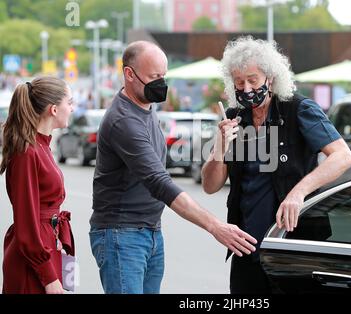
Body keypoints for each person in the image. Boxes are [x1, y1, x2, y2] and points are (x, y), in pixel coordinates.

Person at [89, 41, 257, 294]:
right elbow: (159, 182)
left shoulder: (145, 107)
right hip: (121, 235)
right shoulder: (123, 121)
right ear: (129, 74)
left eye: (164, 76)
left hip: (149, 231)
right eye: (154, 77)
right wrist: (215, 226)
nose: (161, 83)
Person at [201, 36, 351, 294]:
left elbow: (343, 156)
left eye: (253, 80)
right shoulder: (234, 118)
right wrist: (220, 147)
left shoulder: (299, 109)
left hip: (295, 246)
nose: (247, 89)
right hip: (246, 246)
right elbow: (209, 186)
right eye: (239, 82)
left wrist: (298, 192)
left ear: (270, 79)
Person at [1, 77, 75, 294]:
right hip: (33, 257)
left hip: (48, 244)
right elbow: (26, 223)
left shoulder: (41, 146)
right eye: (69, 102)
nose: (72, 108)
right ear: (53, 109)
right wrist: (49, 276)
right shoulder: (27, 152)